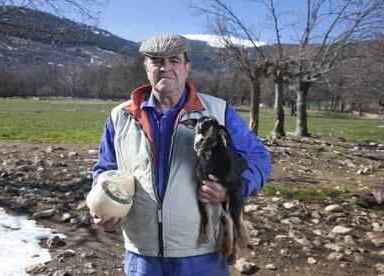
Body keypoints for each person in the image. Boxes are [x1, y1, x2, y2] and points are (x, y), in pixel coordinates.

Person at [92, 34, 271, 276]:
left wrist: (233, 188)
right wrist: (103, 207)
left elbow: (259, 158)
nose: (165, 67)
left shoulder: (219, 111)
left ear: (187, 68)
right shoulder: (120, 117)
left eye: (174, 61)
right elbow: (105, 170)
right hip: (141, 255)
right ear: (146, 68)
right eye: (156, 61)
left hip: (201, 254)